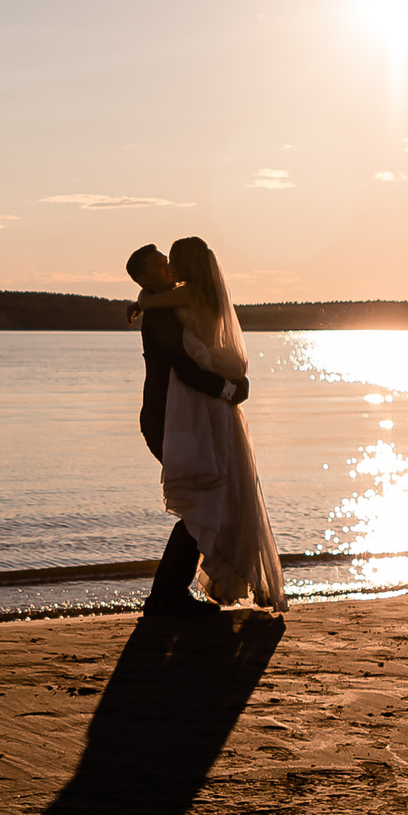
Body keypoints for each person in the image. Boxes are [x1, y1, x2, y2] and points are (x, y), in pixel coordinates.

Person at [126, 237, 286, 614]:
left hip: (192, 415)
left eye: (168, 261)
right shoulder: (162, 313)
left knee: (207, 499)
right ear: (144, 279)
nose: (168, 267)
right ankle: (166, 597)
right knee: (201, 499)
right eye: (160, 265)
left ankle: (169, 595)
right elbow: (184, 365)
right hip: (169, 418)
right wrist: (228, 389)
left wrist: (230, 389)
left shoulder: (178, 300)